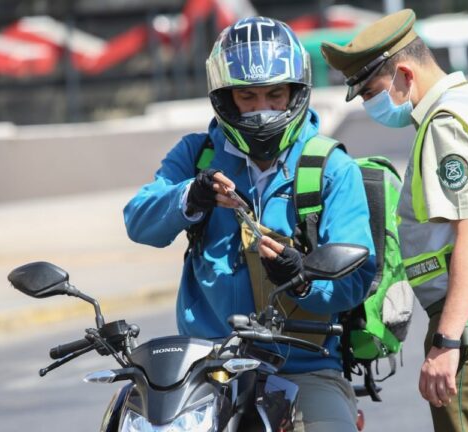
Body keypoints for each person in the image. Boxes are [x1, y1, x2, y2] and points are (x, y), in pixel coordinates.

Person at [124, 16, 375, 432]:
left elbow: (355, 279)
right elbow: (139, 220)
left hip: (303, 365)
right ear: (225, 99)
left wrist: (301, 277)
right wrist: (190, 195)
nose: (262, 108)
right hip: (206, 365)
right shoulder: (197, 154)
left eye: (275, 94)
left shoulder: (331, 167)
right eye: (248, 96)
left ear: (296, 93)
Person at [321, 9, 468, 432]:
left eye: (370, 90)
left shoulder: (444, 124)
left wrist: (447, 340)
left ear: (404, 74)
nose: (366, 103)